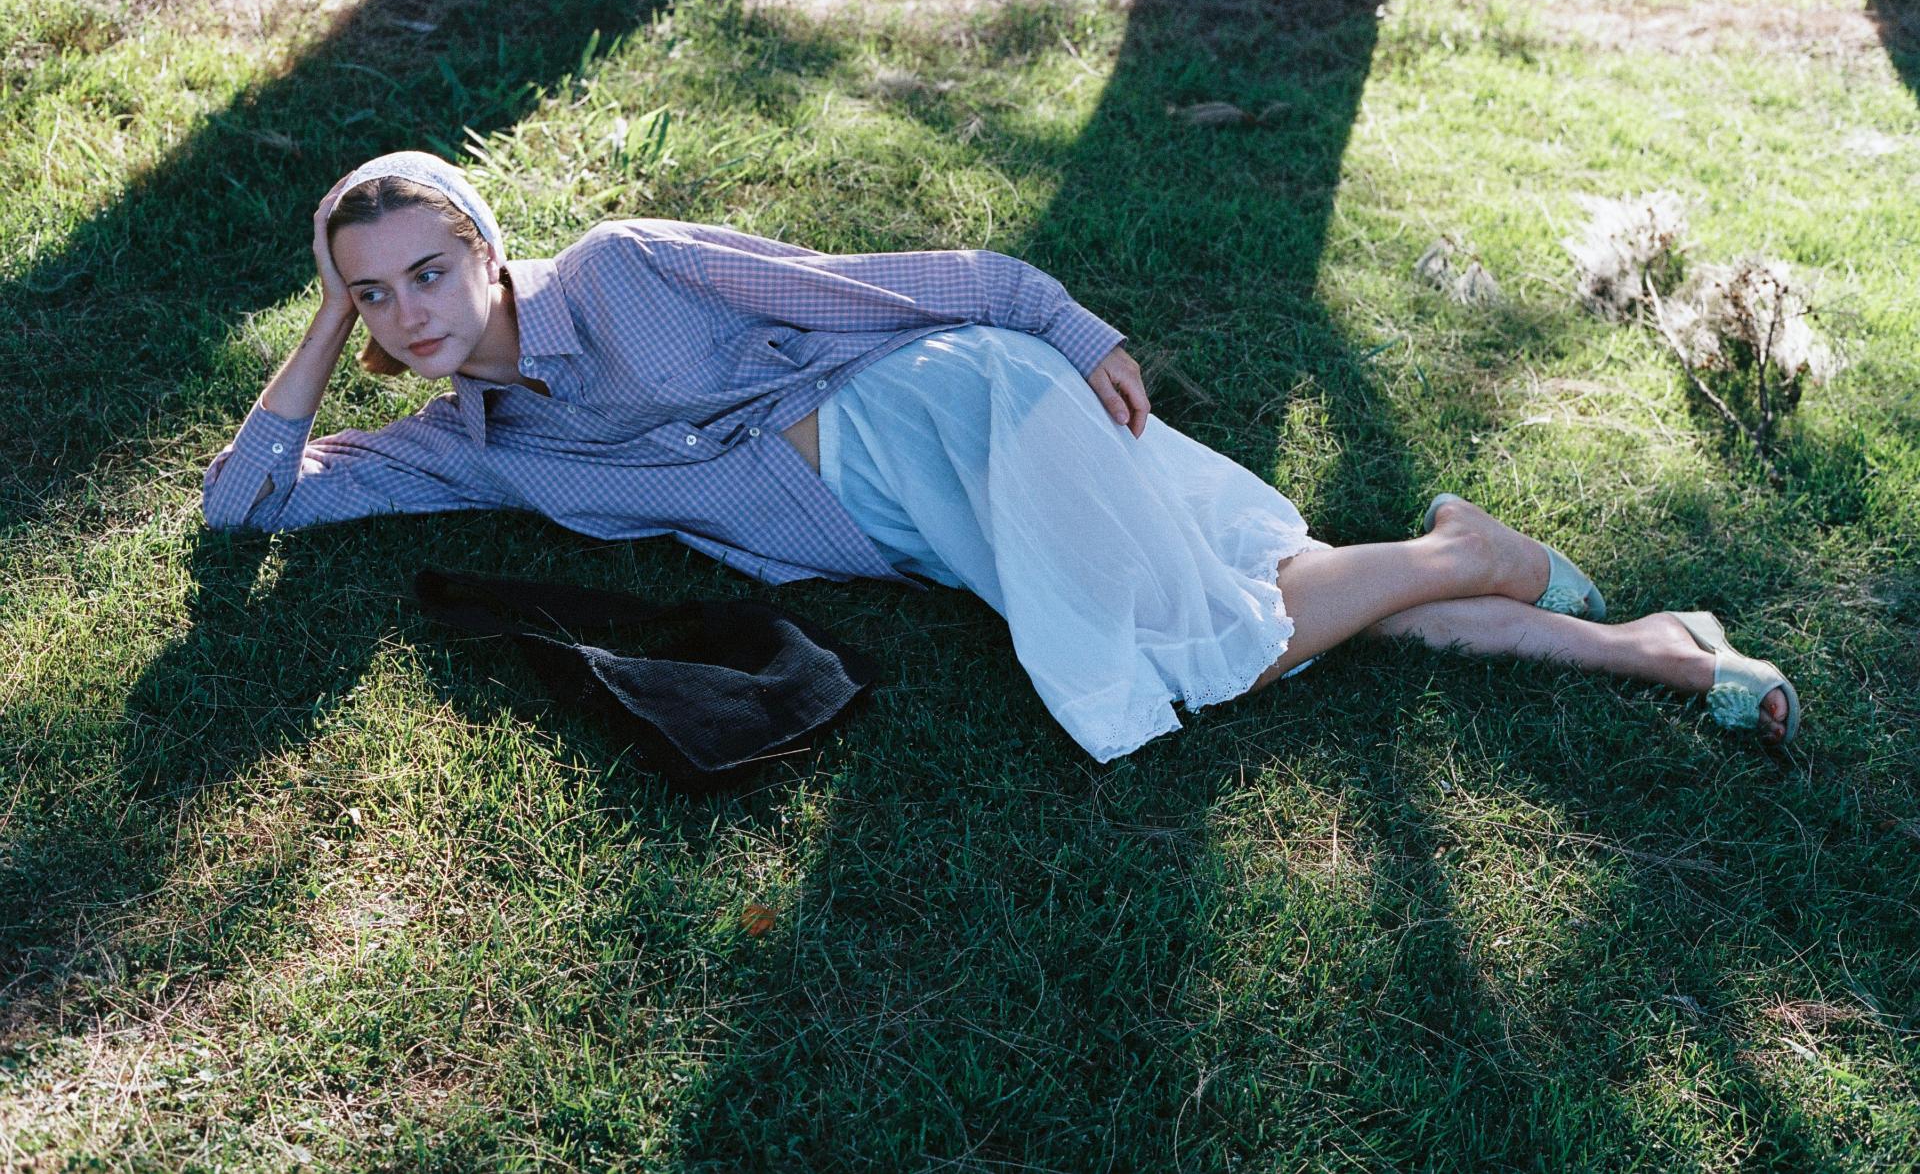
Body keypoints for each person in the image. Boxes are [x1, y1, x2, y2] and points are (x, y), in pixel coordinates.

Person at [203, 153, 1799, 762]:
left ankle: (1462, 550)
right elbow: (248, 501)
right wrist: (324, 329)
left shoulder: (623, 267)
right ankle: (1657, 649)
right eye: (374, 293)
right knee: (1290, 592)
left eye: (429, 269)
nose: (411, 311)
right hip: (921, 512)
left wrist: (1060, 317)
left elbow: (869, 286)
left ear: (488, 247)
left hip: (948, 406)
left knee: (1210, 651)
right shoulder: (475, 447)